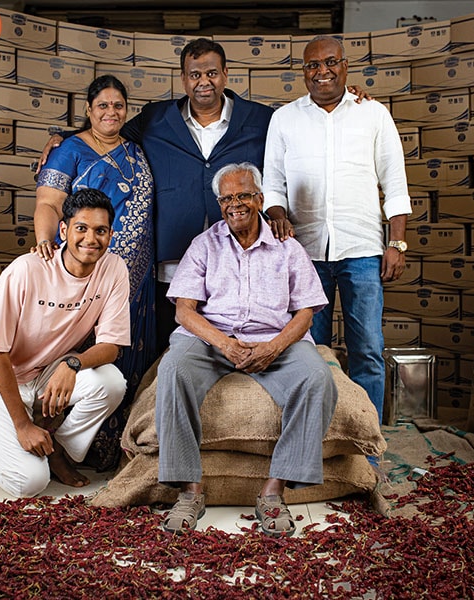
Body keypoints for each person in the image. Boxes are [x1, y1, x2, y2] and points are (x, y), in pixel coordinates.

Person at [39, 39, 369, 349]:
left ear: (226, 74)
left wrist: (343, 99)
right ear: (183, 78)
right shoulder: (157, 118)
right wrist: (62, 138)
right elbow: (107, 130)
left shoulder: (262, 119)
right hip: (172, 262)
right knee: (168, 349)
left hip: (239, 263)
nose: (204, 81)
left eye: (212, 73)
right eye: (195, 74)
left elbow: (306, 126)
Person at [156, 163, 337, 537]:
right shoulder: (204, 244)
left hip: (274, 339)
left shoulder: (288, 247)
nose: (234, 204)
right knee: (173, 368)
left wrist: (273, 347)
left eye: (242, 196)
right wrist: (223, 344)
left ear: (259, 199)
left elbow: (306, 312)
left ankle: (273, 491)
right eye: (226, 198)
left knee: (318, 378)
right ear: (219, 203)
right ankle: (190, 492)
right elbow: (184, 310)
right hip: (213, 337)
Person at [262, 35, 412, 427]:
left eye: (330, 62)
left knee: (368, 350)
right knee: (314, 352)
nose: (322, 71)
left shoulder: (373, 114)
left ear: (345, 66)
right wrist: (276, 213)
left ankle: (368, 441)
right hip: (305, 252)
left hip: (362, 249)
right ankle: (324, 434)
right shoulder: (285, 118)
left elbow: (394, 183)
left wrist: (396, 242)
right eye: (313, 65)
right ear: (303, 72)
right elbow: (272, 185)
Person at [0, 188, 130, 498]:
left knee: (112, 383)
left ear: (110, 234)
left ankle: (57, 449)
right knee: (29, 482)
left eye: (100, 230)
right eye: (81, 228)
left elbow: (111, 346)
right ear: (63, 230)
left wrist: (71, 363)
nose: (91, 239)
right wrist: (22, 424)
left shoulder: (113, 268)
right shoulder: (26, 270)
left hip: (45, 372)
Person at [33, 74, 154, 471]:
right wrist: (45, 243)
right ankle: (54, 442)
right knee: (83, 355)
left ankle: (119, 445)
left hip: (134, 282)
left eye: (118, 105)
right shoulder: (69, 150)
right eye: (102, 105)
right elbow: (49, 202)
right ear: (88, 110)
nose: (111, 112)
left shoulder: (136, 149)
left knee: (129, 358)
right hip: (83, 276)